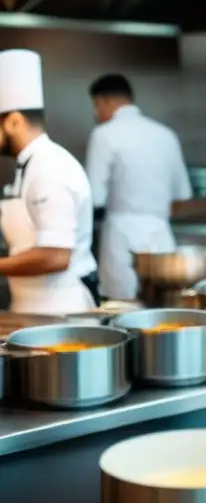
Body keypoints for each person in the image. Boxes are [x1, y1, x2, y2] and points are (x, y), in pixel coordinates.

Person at [0, 50, 97, 313]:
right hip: (31, 306)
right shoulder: (29, 166)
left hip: (60, 312)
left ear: (14, 122)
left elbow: (55, 256)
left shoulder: (50, 167)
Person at [85, 73, 192, 300]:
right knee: (163, 309)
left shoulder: (103, 135)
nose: (97, 113)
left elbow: (94, 198)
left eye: (96, 106)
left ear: (105, 101)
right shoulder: (166, 135)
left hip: (121, 238)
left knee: (123, 310)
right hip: (161, 236)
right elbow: (182, 196)